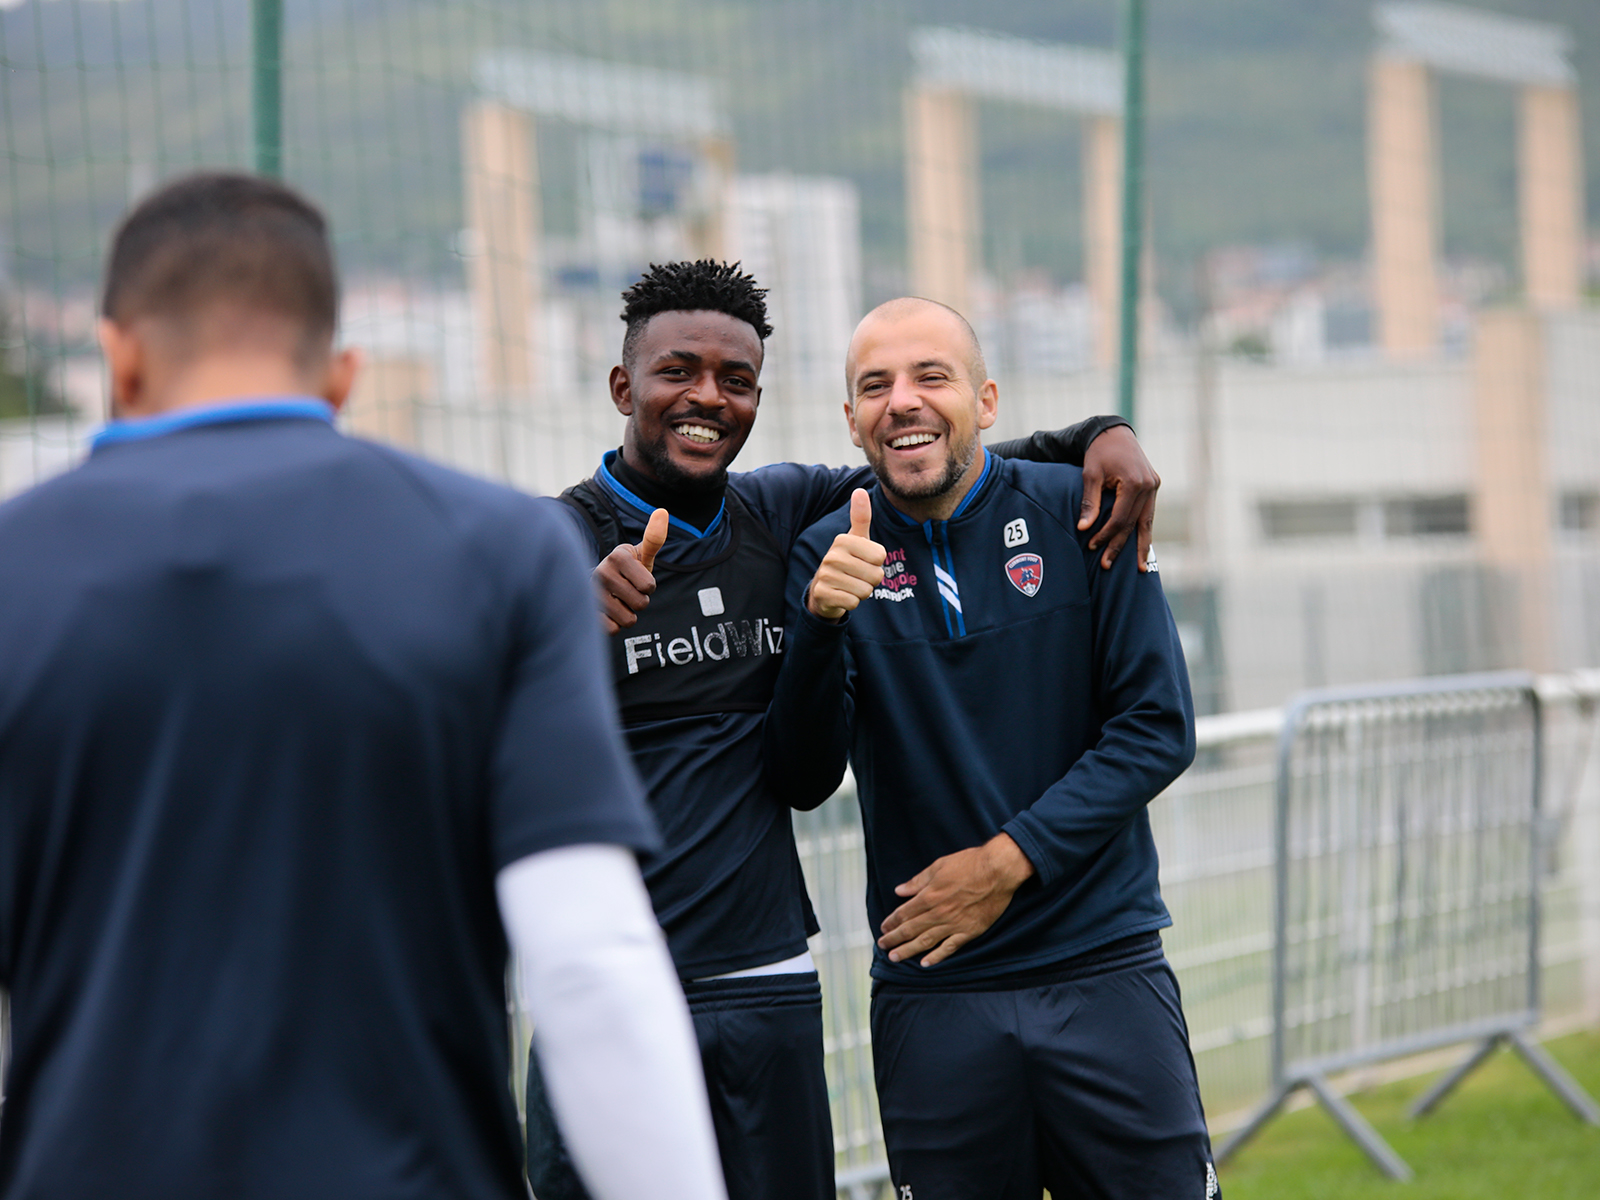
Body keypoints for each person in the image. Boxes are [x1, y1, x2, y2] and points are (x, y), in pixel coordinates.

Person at [0, 173, 725, 1200]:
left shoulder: (15, 572)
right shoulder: (501, 555)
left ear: (117, 358)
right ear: (340, 375)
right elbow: (589, 958)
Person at [524, 260, 1167, 1200]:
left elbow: (936, 456)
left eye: (735, 380)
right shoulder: (544, 550)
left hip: (765, 978)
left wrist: (1100, 436)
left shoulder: (786, 511)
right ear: (624, 386)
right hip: (606, 987)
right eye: (677, 372)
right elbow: (444, 706)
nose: (707, 397)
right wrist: (552, 633)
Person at [763, 297, 1219, 1200]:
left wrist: (1007, 862)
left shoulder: (1086, 509)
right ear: (850, 420)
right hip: (933, 995)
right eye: (875, 386)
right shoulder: (826, 552)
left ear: (988, 400)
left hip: (1104, 969)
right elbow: (803, 779)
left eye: (931, 376)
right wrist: (818, 629)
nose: (903, 401)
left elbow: (1155, 727)